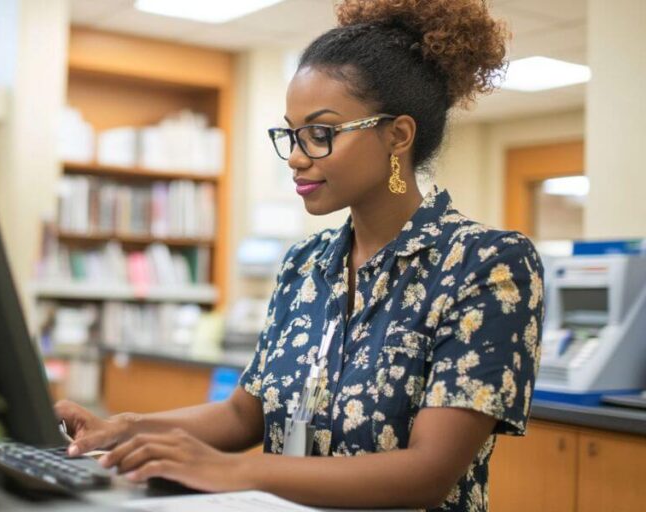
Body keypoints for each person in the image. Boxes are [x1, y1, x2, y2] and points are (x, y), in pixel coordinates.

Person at [55, 0, 544, 509]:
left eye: (320, 134)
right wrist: (125, 428)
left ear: (398, 135)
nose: (295, 156)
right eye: (291, 133)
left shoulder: (487, 264)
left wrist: (237, 470)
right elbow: (245, 416)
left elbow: (428, 472)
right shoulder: (305, 264)